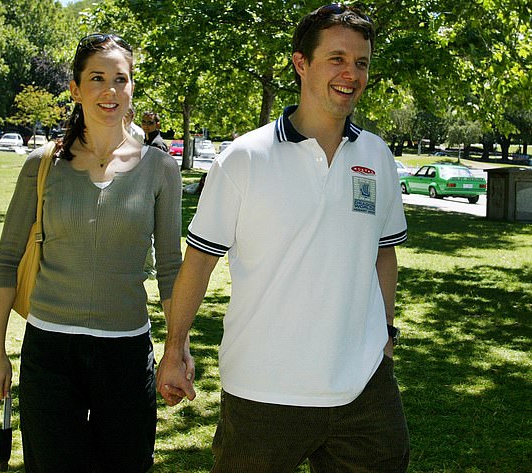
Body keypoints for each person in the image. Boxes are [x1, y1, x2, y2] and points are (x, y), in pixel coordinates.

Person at [156, 5, 410, 472]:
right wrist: (175, 349)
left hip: (364, 392)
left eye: (362, 63)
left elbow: (384, 256)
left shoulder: (377, 156)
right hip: (262, 393)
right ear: (301, 64)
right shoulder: (244, 157)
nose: (350, 74)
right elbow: (199, 262)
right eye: (336, 59)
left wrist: (387, 340)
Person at [0, 33, 192, 473]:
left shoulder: (160, 168)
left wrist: (178, 348)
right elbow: (5, 262)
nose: (110, 90)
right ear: (76, 89)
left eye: (121, 79)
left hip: (126, 352)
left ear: (132, 87)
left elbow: (171, 269)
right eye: (97, 78)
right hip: (49, 352)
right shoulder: (42, 165)